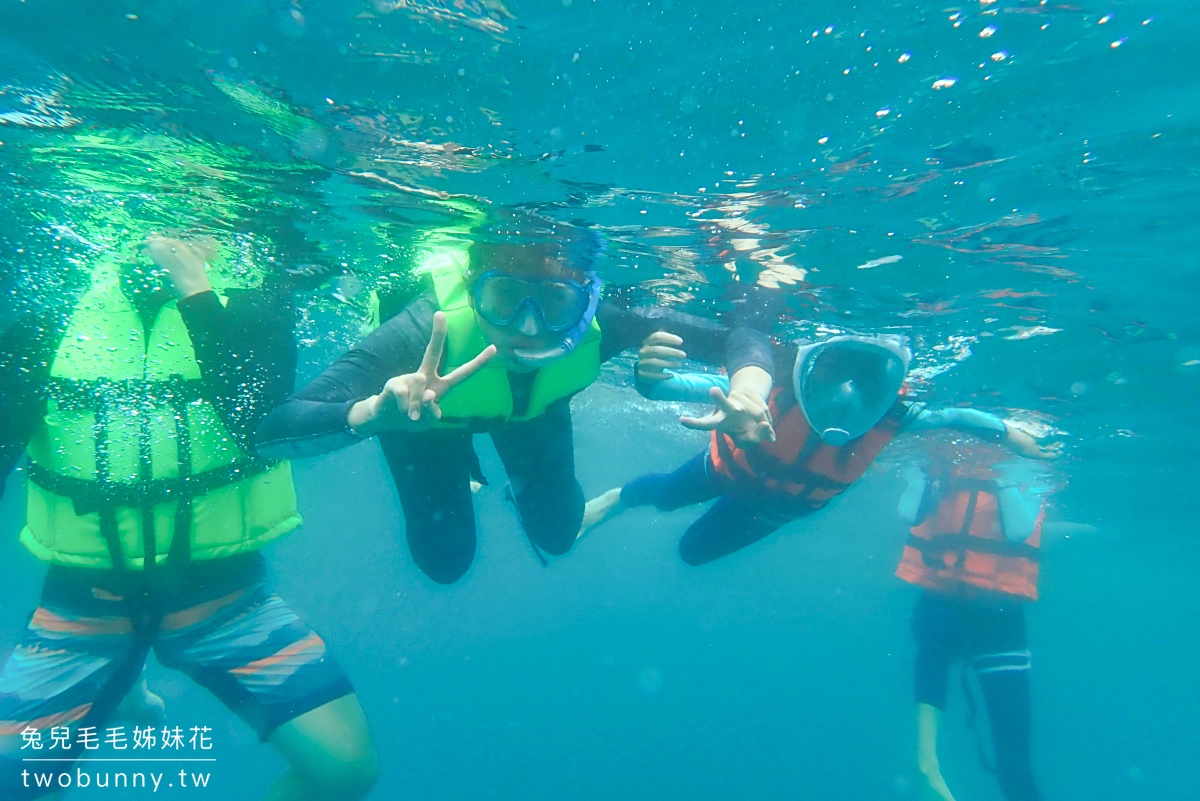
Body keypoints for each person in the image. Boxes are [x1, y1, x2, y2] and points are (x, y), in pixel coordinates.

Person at [0, 237, 377, 801]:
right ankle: (124, 681)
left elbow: (257, 418)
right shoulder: (54, 302)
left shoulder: (255, 297)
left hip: (223, 595)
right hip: (84, 601)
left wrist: (196, 291)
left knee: (346, 769)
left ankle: (124, 678)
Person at [255, 213, 775, 585]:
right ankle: (463, 461)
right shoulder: (417, 333)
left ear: (588, 297)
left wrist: (750, 387)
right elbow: (275, 428)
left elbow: (743, 335)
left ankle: (489, 478)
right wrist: (374, 414)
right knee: (446, 563)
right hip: (422, 420)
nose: (528, 329)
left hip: (532, 414)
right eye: (504, 299)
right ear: (471, 287)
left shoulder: (609, 322)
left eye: (554, 302)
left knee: (559, 533)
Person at [579, 331, 1060, 565]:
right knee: (661, 495)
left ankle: (633, 503)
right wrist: (648, 380)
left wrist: (1012, 432)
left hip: (772, 512)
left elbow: (957, 416)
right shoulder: (771, 392)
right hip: (724, 473)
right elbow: (681, 387)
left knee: (692, 553)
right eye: (832, 375)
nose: (845, 399)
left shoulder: (896, 415)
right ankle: (610, 501)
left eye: (866, 385)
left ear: (889, 390)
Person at [894, 440, 1053, 801]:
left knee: (932, 654)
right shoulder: (999, 465)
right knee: (1014, 764)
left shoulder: (950, 463)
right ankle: (930, 764)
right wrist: (1008, 480)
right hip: (982, 611)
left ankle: (927, 760)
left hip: (965, 609)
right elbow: (1016, 531)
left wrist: (1004, 478)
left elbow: (1015, 530)